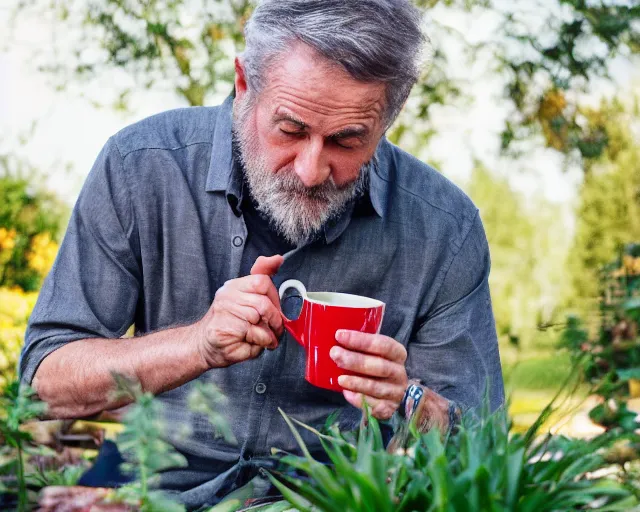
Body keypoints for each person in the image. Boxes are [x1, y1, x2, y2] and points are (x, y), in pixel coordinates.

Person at [20, 0, 504, 508]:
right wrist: (196, 346)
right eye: (291, 129)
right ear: (245, 84)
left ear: (390, 116)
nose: (312, 169)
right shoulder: (140, 166)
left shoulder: (445, 228)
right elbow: (43, 383)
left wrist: (407, 398)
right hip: (154, 488)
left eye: (346, 140)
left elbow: (485, 446)